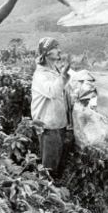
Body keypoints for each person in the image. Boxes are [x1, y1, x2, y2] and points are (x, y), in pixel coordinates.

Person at [31, 37, 71, 178]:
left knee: (57, 167)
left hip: (59, 125)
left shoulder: (54, 70)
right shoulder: (40, 75)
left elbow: (64, 93)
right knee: (48, 170)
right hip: (48, 127)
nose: (59, 50)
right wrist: (64, 76)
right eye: (55, 47)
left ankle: (54, 193)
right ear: (47, 52)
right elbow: (53, 92)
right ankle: (45, 196)